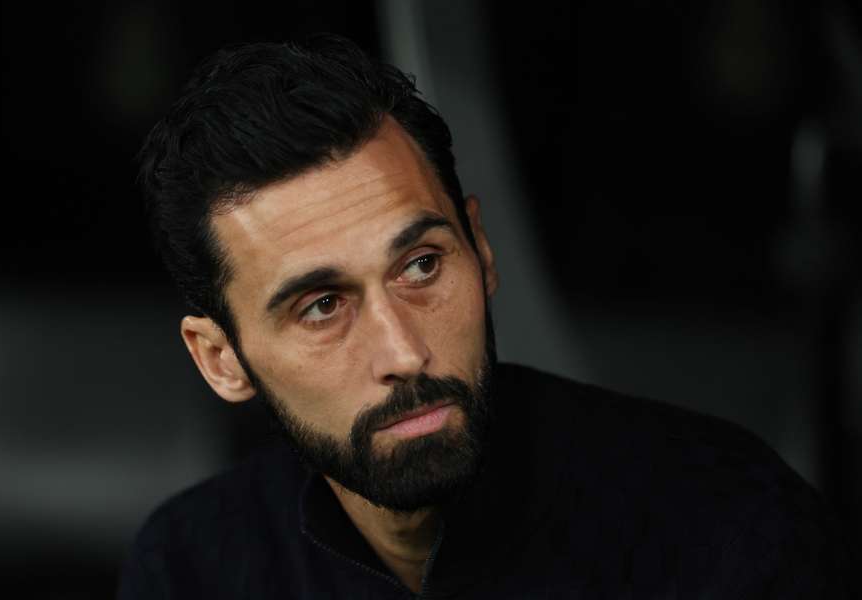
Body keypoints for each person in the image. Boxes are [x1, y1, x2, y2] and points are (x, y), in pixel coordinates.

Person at [119, 34, 854, 599]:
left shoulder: (729, 533)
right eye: (321, 307)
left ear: (482, 249)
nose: (404, 352)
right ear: (222, 359)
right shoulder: (193, 565)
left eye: (421, 266)